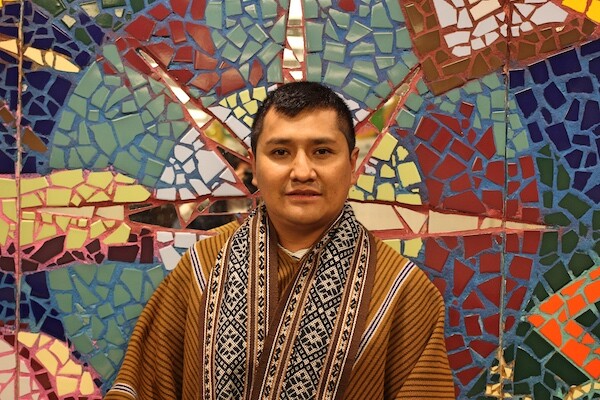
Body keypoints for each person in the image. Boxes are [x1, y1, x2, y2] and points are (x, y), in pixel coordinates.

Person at [105, 82, 455, 400]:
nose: (302, 172)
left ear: (351, 165)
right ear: (254, 168)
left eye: (321, 151)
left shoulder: (405, 292)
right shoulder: (204, 265)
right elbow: (144, 384)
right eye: (280, 153)